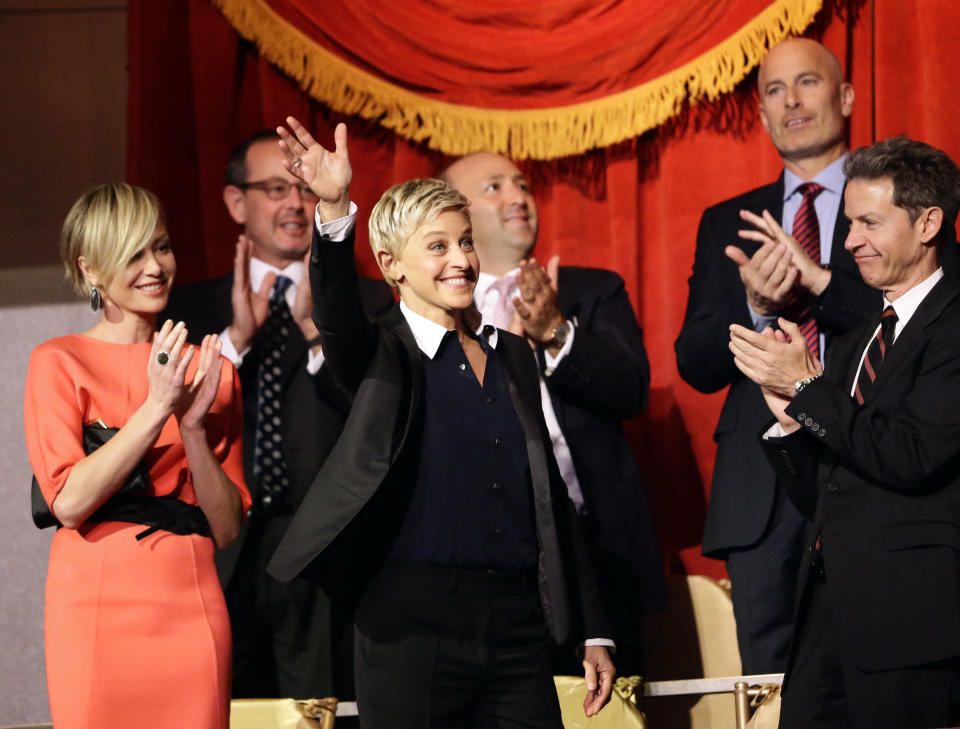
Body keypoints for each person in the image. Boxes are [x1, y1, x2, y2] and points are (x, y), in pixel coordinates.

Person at [266, 117, 615, 728]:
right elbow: (339, 311)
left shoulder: (512, 355)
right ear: (392, 265)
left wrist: (593, 629)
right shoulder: (379, 352)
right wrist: (334, 206)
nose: (461, 260)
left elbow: (550, 497)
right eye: (437, 246)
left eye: (465, 242)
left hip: (517, 629)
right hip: (408, 630)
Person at [729, 136, 960, 728]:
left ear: (928, 222)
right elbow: (827, 491)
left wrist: (809, 389)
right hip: (827, 617)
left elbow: (911, 455)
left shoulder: (954, 326)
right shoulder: (858, 339)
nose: (851, 240)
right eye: (851, 222)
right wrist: (788, 421)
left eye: (869, 223)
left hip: (909, 623)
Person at [163, 130, 394, 698]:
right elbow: (168, 426)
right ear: (236, 204)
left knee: (322, 704)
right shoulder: (185, 309)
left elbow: (384, 423)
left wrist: (320, 336)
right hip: (218, 546)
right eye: (274, 189)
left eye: (304, 189)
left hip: (325, 549)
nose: (295, 203)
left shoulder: (368, 304)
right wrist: (235, 342)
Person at [674, 37, 879, 674]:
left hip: (870, 464)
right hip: (761, 485)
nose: (791, 101)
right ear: (761, 115)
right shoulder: (725, 220)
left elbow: (918, 323)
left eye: (807, 84)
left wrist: (816, 281)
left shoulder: (888, 204)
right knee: (770, 683)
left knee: (874, 672)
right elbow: (696, 362)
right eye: (773, 91)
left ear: (845, 97)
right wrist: (757, 310)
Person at [23, 183, 250, 729]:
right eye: (133, 254)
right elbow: (71, 502)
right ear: (91, 269)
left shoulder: (212, 372)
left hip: (190, 607)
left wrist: (193, 429)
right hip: (95, 609)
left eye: (162, 247)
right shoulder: (59, 362)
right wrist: (158, 407)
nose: (155, 266)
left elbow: (226, 528)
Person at [441, 151, 664, 677]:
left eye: (521, 184)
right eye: (494, 187)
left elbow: (631, 390)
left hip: (596, 548)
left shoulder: (591, 290)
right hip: (486, 561)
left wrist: (557, 333)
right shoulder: (437, 311)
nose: (518, 196)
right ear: (456, 213)